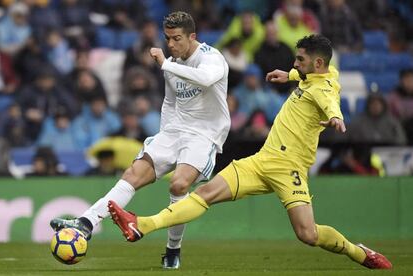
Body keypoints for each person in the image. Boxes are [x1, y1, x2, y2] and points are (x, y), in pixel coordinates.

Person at [107, 35, 392, 270]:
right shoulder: (321, 73)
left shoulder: (324, 90)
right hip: (262, 160)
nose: (295, 64)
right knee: (204, 194)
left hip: (288, 169)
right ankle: (141, 224)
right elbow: (318, 80)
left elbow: (329, 99)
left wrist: (336, 118)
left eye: (300, 60)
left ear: (317, 63)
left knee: (308, 234)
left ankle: (359, 253)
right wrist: (291, 74)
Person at [50, 11, 230, 269]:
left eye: (177, 39)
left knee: (179, 186)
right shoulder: (174, 62)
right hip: (175, 130)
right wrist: (165, 133)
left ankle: (172, 250)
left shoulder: (211, 57)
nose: (171, 45)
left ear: (193, 37)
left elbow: (206, 78)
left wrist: (165, 63)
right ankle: (86, 223)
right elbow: (170, 101)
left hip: (204, 134)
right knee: (133, 173)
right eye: (167, 38)